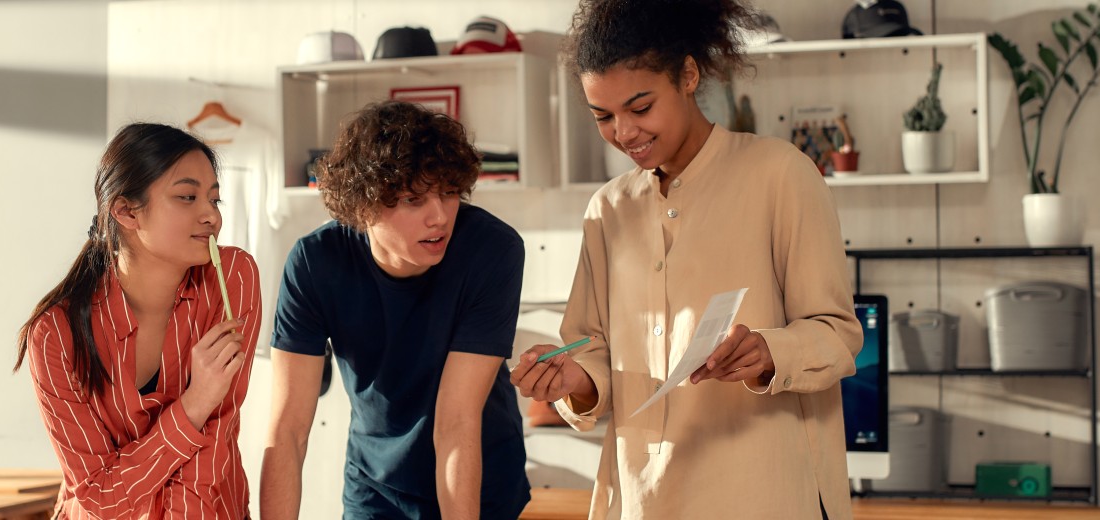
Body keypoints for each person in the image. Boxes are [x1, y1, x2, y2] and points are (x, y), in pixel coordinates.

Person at [508, 1, 863, 518]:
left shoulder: (780, 174)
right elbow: (594, 351)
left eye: (640, 107)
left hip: (761, 492)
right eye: (603, 116)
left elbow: (839, 333)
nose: (624, 133)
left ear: (689, 75)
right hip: (642, 497)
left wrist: (770, 350)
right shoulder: (607, 209)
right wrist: (571, 382)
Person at [260, 100, 531, 520]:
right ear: (361, 206)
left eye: (448, 192)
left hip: (478, 483)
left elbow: (456, 423)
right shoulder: (315, 263)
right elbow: (288, 430)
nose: (439, 217)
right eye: (412, 199)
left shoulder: (492, 251)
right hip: (375, 486)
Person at [16, 123, 262, 520]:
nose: (210, 216)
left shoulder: (232, 277)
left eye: (214, 200)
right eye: (187, 197)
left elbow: (214, 443)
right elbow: (100, 496)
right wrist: (195, 403)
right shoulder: (55, 335)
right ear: (126, 211)